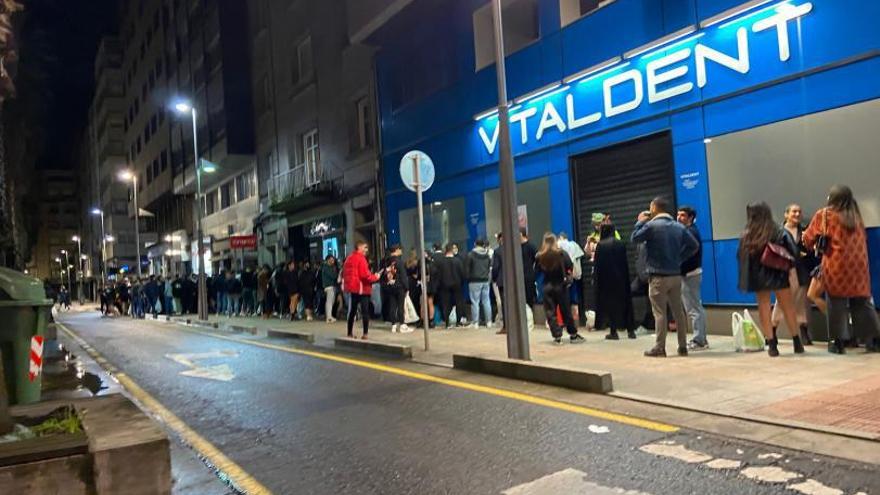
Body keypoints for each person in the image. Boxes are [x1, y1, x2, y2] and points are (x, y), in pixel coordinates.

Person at [804, 186, 880, 354]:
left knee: (836, 303)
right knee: (862, 303)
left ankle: (837, 342)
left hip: (836, 265)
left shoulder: (825, 215)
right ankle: (874, 340)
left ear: (832, 198)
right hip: (859, 267)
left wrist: (811, 242)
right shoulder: (856, 216)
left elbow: (808, 238)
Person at [632, 197, 699, 358]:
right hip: (675, 275)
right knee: (678, 312)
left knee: (659, 313)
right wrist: (679, 259)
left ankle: (659, 347)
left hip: (657, 276)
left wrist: (640, 222)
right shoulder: (678, 227)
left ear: (654, 208)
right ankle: (683, 346)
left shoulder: (650, 226)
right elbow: (694, 246)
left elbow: (635, 238)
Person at [738, 202, 805, 357]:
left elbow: (743, 259)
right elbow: (794, 252)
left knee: (764, 308)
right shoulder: (777, 230)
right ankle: (797, 342)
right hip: (779, 273)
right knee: (788, 307)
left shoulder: (748, 234)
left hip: (759, 277)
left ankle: (772, 344)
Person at [771, 204, 817, 346]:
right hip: (784, 272)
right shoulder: (778, 232)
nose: (797, 214)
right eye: (793, 211)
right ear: (786, 215)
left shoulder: (804, 231)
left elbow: (810, 250)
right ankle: (772, 332)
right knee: (781, 302)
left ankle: (803, 333)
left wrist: (807, 251)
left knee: (801, 302)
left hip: (800, 271)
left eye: (799, 211)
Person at [535, 233, 585, 345]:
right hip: (560, 285)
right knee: (566, 311)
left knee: (550, 313)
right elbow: (569, 265)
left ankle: (557, 337)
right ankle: (573, 334)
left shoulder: (540, 256)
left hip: (547, 286)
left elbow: (537, 271)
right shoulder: (561, 253)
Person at [594, 224, 635, 340]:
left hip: (607, 280)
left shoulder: (601, 245)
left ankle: (613, 331)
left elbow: (598, 267)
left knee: (611, 306)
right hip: (622, 278)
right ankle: (631, 331)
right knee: (626, 304)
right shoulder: (620, 244)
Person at [677, 206, 709, 351]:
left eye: (683, 215)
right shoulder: (690, 231)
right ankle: (701, 338)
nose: (679, 217)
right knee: (696, 306)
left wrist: (678, 264)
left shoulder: (690, 232)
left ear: (690, 217)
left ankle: (699, 340)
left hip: (690, 274)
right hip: (692, 273)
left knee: (693, 308)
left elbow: (689, 254)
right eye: (678, 215)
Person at [342, 240, 381, 339]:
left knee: (352, 311)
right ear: (359, 247)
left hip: (353, 289)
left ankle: (349, 333)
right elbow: (365, 275)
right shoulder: (361, 259)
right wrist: (375, 277)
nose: (366, 250)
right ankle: (365, 334)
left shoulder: (349, 258)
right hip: (362, 288)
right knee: (365, 312)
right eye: (365, 247)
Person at [435, 243, 466, 328]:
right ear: (452, 250)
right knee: (458, 302)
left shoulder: (441, 262)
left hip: (444, 285)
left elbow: (439, 275)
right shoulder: (458, 261)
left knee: (446, 303)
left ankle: (447, 322)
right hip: (457, 284)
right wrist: (462, 282)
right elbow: (462, 273)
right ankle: (458, 321)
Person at [558, 232, 585, 326]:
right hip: (572, 274)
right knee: (573, 295)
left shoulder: (559, 245)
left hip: (561, 276)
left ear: (561, 238)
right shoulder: (574, 245)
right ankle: (575, 318)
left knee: (564, 297)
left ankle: (564, 320)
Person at [381, 244, 410, 332]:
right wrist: (407, 287)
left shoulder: (386, 261)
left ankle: (393, 324)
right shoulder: (399, 261)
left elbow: (384, 274)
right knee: (401, 306)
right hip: (399, 286)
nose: (401, 252)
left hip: (390, 285)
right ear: (397, 250)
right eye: (400, 250)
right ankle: (402, 324)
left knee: (392, 305)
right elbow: (403, 275)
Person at [466, 238, 492, 328]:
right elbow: (489, 267)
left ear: (475, 244)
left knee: (475, 302)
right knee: (486, 301)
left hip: (474, 280)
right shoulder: (487, 255)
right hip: (485, 280)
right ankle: (489, 322)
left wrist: (467, 277)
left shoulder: (471, 255)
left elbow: (467, 268)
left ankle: (475, 322)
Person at [520, 228, 538, 314]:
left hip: (529, 276)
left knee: (529, 297)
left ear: (521, 234)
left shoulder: (531, 247)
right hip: (520, 276)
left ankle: (530, 315)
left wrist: (535, 272)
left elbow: (538, 260)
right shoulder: (516, 248)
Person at [320, 255, 339, 322]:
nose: (333, 261)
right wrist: (336, 273)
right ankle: (328, 317)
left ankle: (329, 316)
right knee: (329, 302)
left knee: (331, 301)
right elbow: (333, 276)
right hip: (329, 286)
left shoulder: (329, 267)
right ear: (328, 260)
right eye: (332, 260)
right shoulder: (326, 267)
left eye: (333, 260)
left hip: (331, 286)